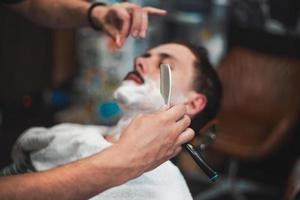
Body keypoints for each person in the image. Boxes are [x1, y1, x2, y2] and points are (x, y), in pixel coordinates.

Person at [0, 1, 194, 199]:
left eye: (165, 65)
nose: (139, 60)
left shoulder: (166, 189)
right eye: (145, 55)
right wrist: (122, 160)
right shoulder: (74, 134)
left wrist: (95, 12)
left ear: (193, 103)